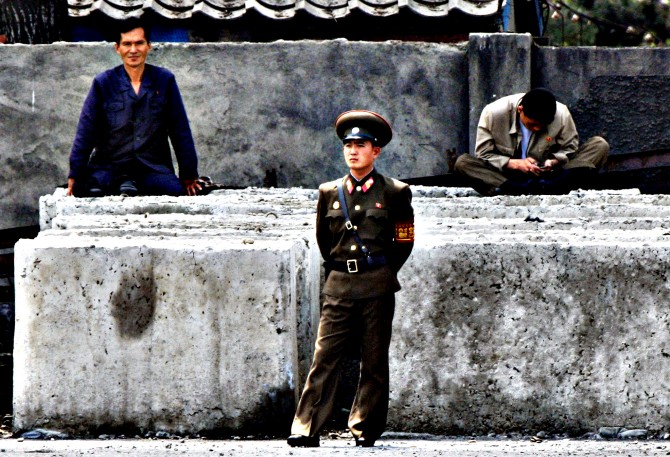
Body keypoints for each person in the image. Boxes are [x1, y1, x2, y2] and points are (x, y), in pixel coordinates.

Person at [287, 110, 415, 448]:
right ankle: (306, 427)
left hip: (377, 286)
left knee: (373, 361)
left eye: (361, 145)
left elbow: (404, 240)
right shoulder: (329, 192)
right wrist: (342, 270)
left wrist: (382, 271)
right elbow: (324, 242)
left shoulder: (395, 192)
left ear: (377, 151)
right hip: (339, 286)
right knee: (324, 358)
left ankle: (365, 427)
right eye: (348, 145)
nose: (353, 151)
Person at [67, 19, 201, 197]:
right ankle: (122, 182)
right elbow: (86, 131)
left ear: (148, 46)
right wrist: (75, 173)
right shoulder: (103, 83)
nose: (133, 50)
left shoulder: (164, 80)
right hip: (110, 167)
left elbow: (180, 130)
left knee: (175, 191)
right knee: (85, 191)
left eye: (139, 43)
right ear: (117, 48)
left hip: (152, 168)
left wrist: (189, 175)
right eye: (127, 44)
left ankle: (131, 184)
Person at [454, 88, 609, 196]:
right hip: (509, 177)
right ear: (520, 109)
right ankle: (515, 189)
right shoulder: (493, 113)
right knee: (463, 163)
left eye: (543, 125)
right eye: (533, 124)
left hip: (551, 177)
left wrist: (553, 162)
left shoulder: (561, 114)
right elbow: (484, 154)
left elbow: (570, 149)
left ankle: (554, 186)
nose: (537, 128)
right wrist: (515, 163)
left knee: (599, 145)